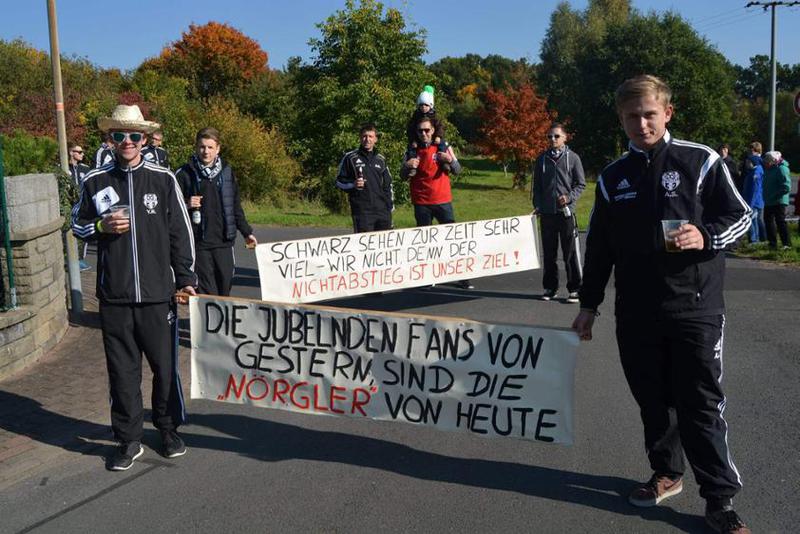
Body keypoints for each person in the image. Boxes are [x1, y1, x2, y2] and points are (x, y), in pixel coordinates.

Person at [572, 75, 752, 534]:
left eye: (649, 114)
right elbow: (600, 248)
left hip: (695, 308)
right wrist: (589, 305)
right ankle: (667, 472)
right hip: (637, 313)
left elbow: (741, 216)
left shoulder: (700, 160)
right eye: (631, 116)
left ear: (667, 113)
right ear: (621, 119)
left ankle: (719, 500)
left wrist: (706, 235)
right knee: (653, 402)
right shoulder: (613, 177)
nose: (641, 124)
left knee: (700, 403)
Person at [71, 104, 197, 471]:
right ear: (109, 139)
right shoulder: (94, 180)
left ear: (144, 139)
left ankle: (168, 429)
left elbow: (180, 232)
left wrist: (186, 278)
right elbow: (76, 224)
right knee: (122, 373)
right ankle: (128, 439)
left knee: (165, 368)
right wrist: (100, 227)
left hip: (158, 295)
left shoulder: (163, 179)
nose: (127, 141)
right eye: (119, 135)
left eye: (134, 135)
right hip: (115, 296)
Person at [176, 127, 257, 296]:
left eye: (210, 147)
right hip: (199, 244)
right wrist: (186, 203)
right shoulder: (184, 173)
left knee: (224, 288)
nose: (206, 151)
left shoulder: (227, 172)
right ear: (196, 147)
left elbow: (235, 205)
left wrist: (247, 232)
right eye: (202, 147)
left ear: (218, 149)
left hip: (223, 242)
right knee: (206, 291)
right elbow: (171, 208)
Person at [402, 116, 472, 289]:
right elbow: (402, 176)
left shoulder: (444, 147)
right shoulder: (412, 149)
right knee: (424, 242)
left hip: (442, 200)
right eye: (420, 131)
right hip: (421, 201)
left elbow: (457, 170)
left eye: (427, 130)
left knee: (451, 240)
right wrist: (407, 166)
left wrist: (450, 160)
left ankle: (462, 275)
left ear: (433, 130)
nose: (424, 134)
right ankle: (427, 276)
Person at [531, 122, 586, 303]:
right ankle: (550, 287)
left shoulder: (573, 158)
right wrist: (538, 205)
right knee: (549, 253)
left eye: (556, 136)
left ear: (565, 137)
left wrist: (569, 197)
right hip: (547, 214)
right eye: (549, 136)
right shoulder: (542, 159)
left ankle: (575, 289)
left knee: (570, 252)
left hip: (566, 213)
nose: (552, 139)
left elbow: (581, 184)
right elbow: (536, 187)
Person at [335, 122, 393, 233]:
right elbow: (339, 181)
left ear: (375, 139)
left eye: (370, 136)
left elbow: (388, 185)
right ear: (360, 138)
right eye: (364, 136)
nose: (367, 139)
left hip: (383, 211)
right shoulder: (350, 158)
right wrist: (353, 184)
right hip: (362, 212)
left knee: (384, 243)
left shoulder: (381, 159)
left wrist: (389, 207)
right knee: (365, 243)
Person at [405, 85, 449, 175]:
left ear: (430, 105)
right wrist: (413, 140)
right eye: (421, 105)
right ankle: (413, 167)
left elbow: (440, 126)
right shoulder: (416, 115)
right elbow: (411, 128)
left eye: (426, 105)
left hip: (434, 137)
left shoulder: (434, 115)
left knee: (442, 144)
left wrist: (438, 136)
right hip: (418, 137)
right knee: (411, 149)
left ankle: (444, 162)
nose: (423, 107)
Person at [68, 142, 92, 271]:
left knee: (83, 230)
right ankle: (70, 259)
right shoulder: (63, 168)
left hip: (82, 205)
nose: (82, 154)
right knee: (68, 232)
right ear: (71, 153)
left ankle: (81, 259)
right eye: (79, 152)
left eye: (82, 152)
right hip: (68, 205)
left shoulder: (85, 169)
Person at [762, 150, 792, 250]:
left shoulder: (782, 169)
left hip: (779, 201)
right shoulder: (769, 169)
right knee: (768, 221)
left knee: (780, 222)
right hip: (769, 200)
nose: (766, 163)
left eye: (768, 161)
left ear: (774, 161)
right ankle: (772, 243)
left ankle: (786, 244)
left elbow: (786, 187)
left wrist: (775, 195)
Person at [741, 143, 766, 243]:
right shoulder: (752, 171)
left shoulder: (756, 172)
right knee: (754, 220)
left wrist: (751, 203)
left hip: (754, 201)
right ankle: (756, 239)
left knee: (751, 219)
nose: (747, 164)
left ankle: (754, 239)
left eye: (749, 162)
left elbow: (755, 189)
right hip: (752, 200)